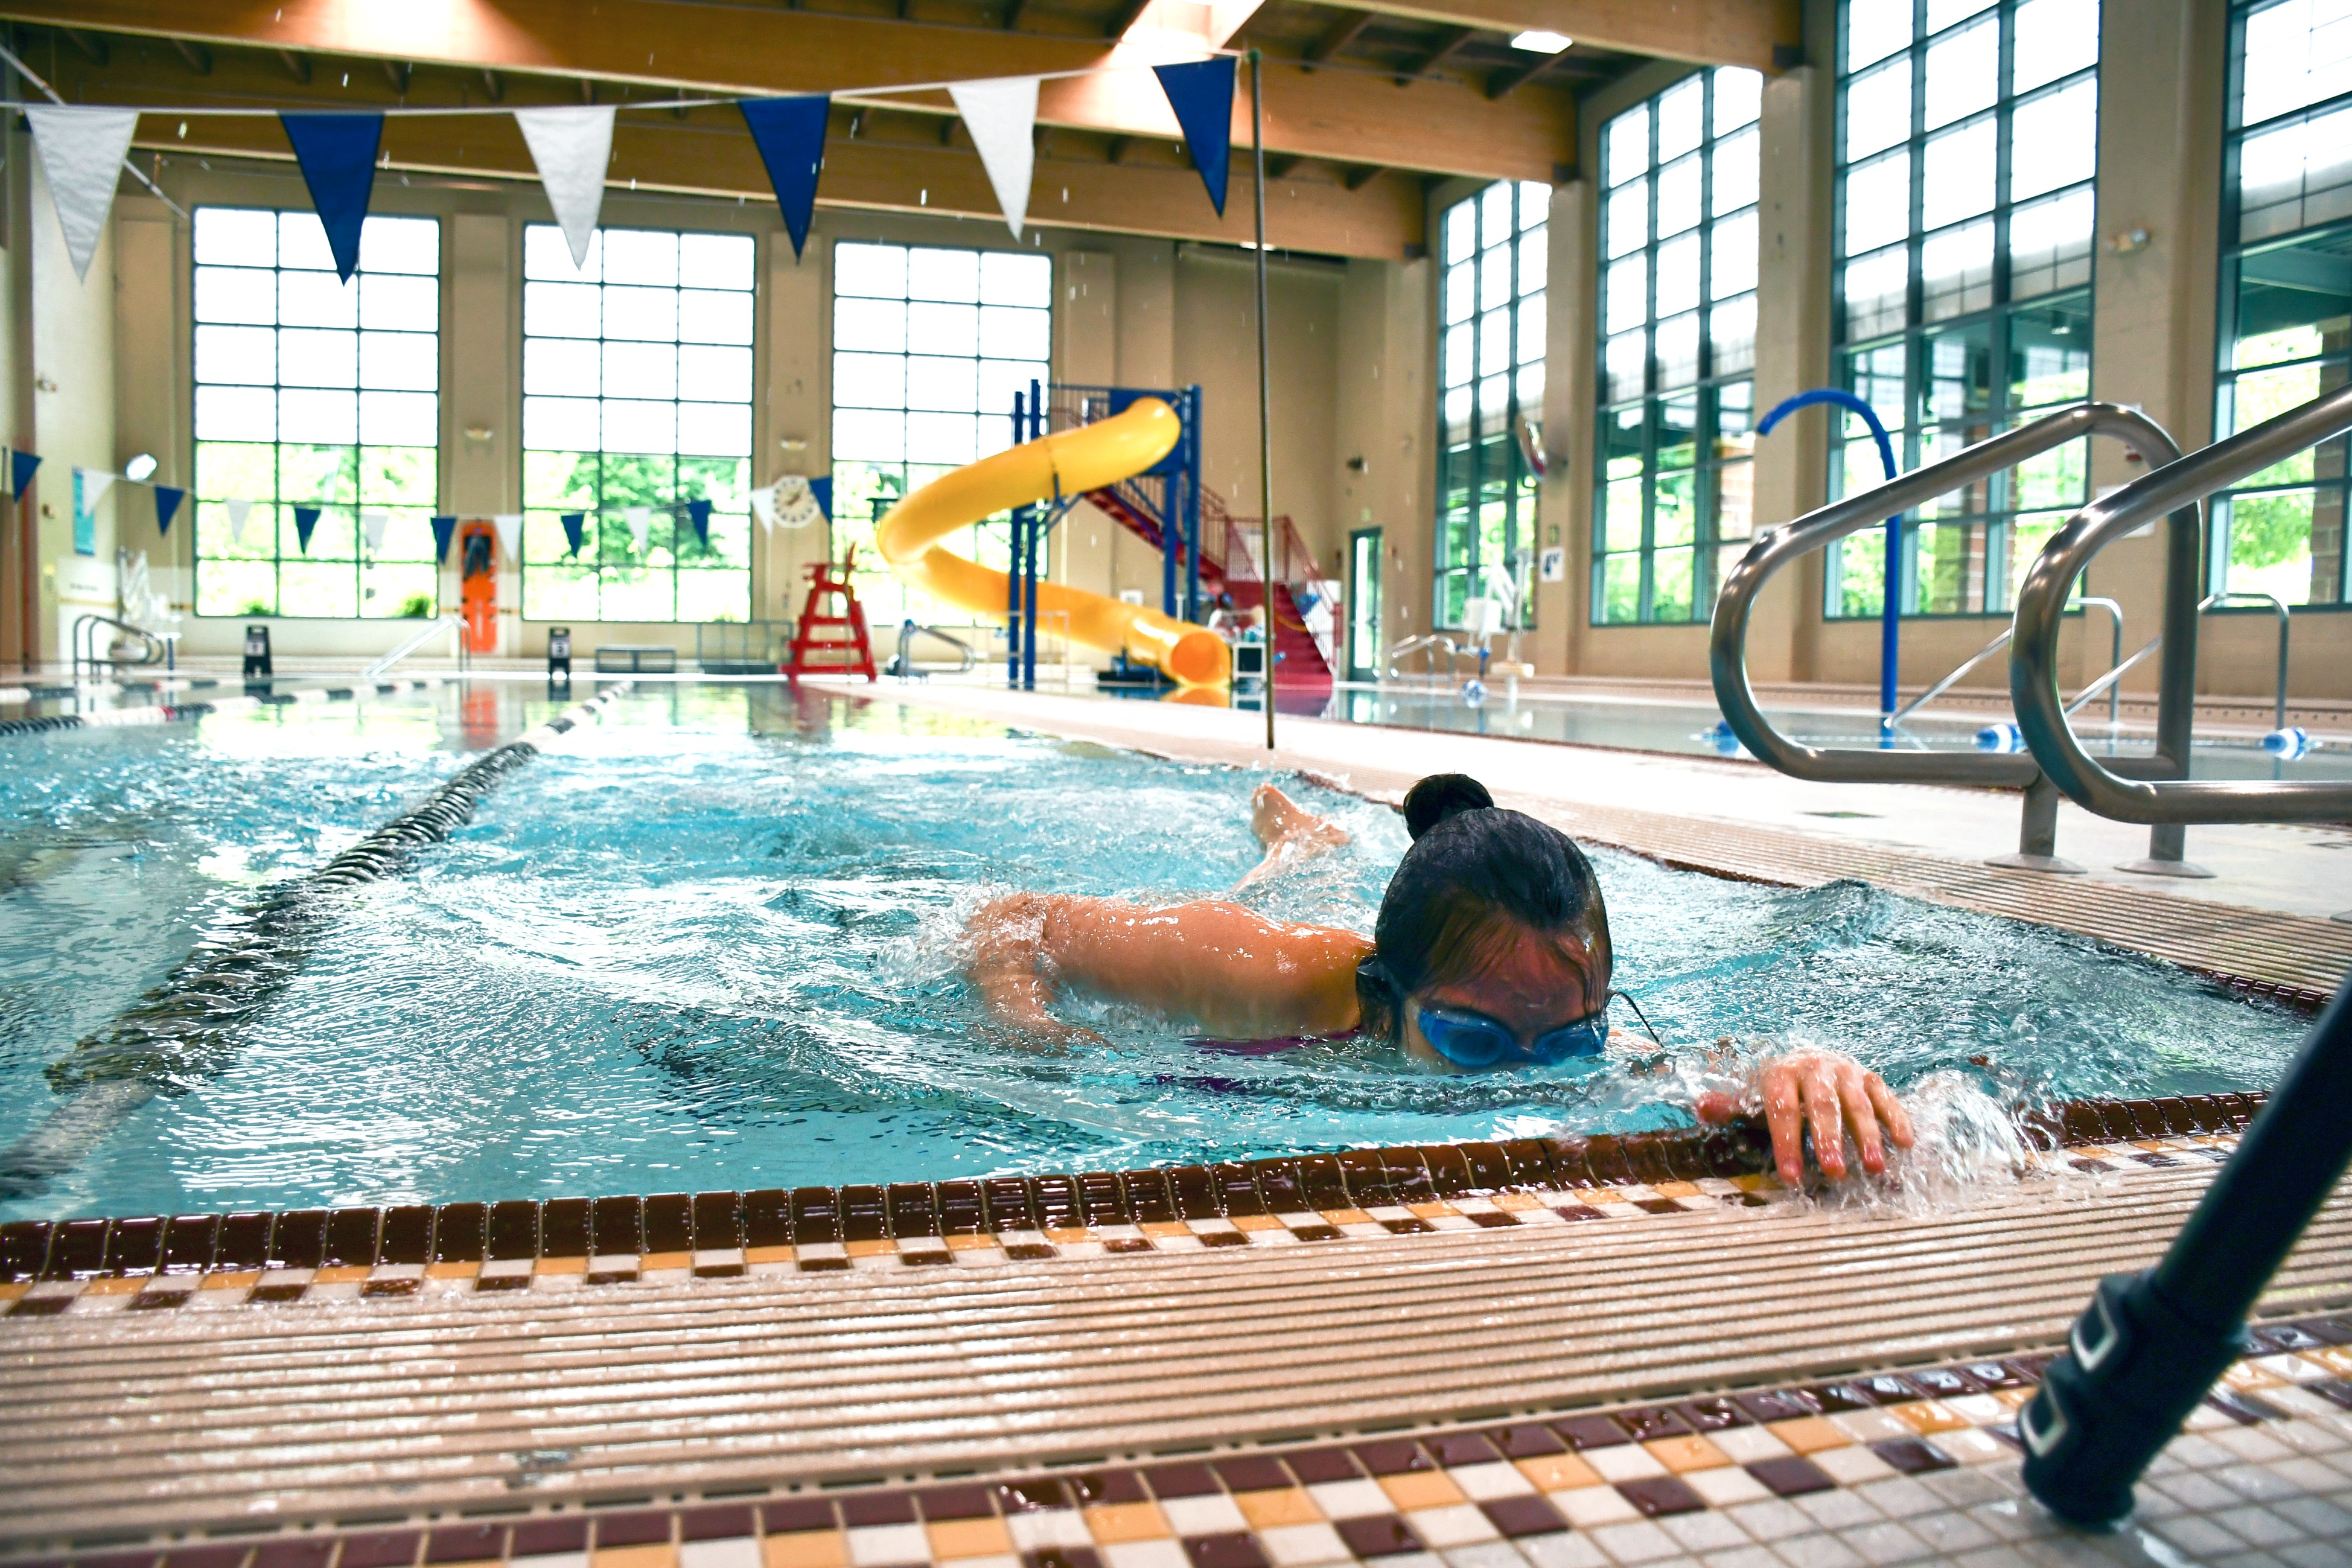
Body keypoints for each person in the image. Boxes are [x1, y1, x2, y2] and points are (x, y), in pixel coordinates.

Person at [967, 773, 1915, 1188]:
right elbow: (1009, 919)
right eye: (1471, 1041)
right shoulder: (1271, 974)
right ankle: (1298, 836)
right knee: (1296, 883)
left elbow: (1721, 1072)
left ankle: (1317, 841)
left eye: (1569, 1041)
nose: (1521, 1074)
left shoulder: (1554, 1021)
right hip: (1303, 935)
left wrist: (1806, 1072)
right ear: (1390, 999)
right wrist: (1029, 1035)